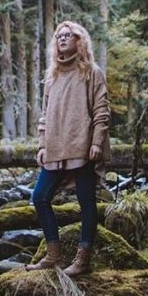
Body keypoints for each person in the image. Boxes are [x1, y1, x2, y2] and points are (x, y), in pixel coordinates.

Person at [26, 20, 110, 276]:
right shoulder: (52, 76)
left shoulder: (91, 71)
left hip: (81, 146)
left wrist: (96, 142)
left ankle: (83, 260)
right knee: (40, 197)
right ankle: (54, 256)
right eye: (59, 36)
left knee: (86, 202)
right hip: (54, 148)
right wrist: (42, 145)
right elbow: (44, 115)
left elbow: (101, 111)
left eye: (68, 35)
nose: (62, 38)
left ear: (79, 40)